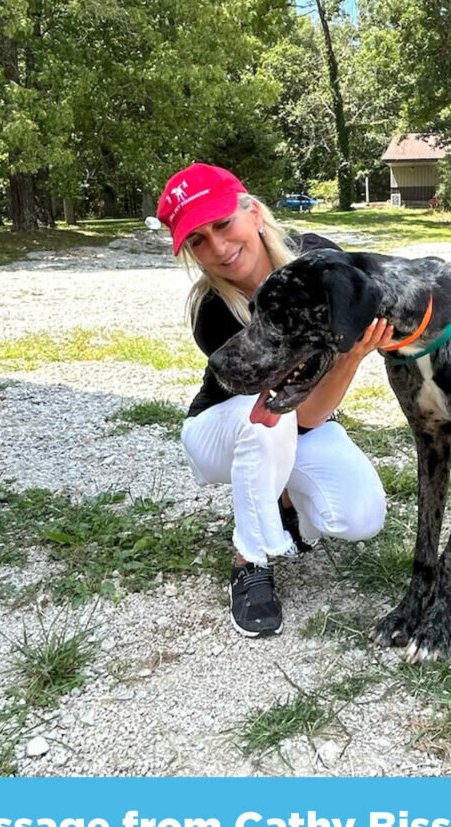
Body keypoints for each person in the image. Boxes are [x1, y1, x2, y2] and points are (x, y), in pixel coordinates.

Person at [156, 163, 391, 638]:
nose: (218, 248)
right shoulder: (213, 311)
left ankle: (284, 509)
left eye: (223, 224)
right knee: (266, 422)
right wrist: (350, 358)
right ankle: (249, 561)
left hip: (299, 419)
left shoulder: (320, 261)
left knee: (359, 514)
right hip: (222, 431)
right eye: (198, 241)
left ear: (255, 212)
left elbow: (312, 415)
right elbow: (292, 411)